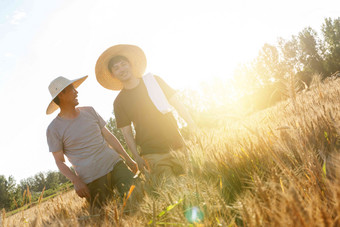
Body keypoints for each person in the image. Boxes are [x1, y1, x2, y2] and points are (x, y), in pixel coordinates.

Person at [95, 44, 196, 178]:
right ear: (113, 74)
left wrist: (192, 125)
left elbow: (177, 104)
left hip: (177, 143)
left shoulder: (154, 81)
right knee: (171, 190)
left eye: (123, 64)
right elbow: (127, 132)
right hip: (151, 153)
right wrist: (136, 156)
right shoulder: (119, 102)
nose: (121, 69)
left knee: (191, 181)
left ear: (131, 65)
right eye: (116, 68)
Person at [46, 75, 139, 209]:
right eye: (72, 89)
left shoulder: (89, 111)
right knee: (103, 217)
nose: (77, 92)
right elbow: (59, 161)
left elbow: (109, 137)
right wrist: (76, 181)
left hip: (115, 165)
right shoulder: (53, 129)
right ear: (61, 94)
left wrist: (128, 159)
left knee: (138, 196)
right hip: (93, 179)